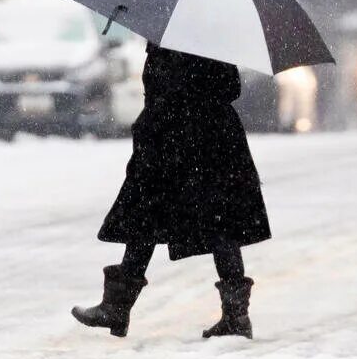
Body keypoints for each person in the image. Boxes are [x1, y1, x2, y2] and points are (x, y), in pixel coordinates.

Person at [72, 42, 271, 339]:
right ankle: (235, 316)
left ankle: (118, 307)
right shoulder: (209, 35)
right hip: (206, 139)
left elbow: (176, 87)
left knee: (153, 216)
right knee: (206, 221)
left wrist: (168, 105)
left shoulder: (178, 39)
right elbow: (229, 86)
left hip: (178, 139)